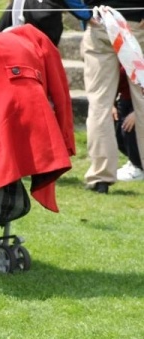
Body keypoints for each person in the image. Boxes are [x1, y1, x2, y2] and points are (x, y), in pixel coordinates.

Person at [82, 1, 144, 194]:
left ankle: (100, 177)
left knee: (99, 102)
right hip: (135, 22)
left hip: (100, 22)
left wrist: (83, 13)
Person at [115, 69, 143, 181]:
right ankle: (134, 161)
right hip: (126, 99)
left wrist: (138, 111)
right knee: (116, 130)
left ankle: (139, 166)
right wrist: (111, 105)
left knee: (130, 128)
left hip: (140, 101)